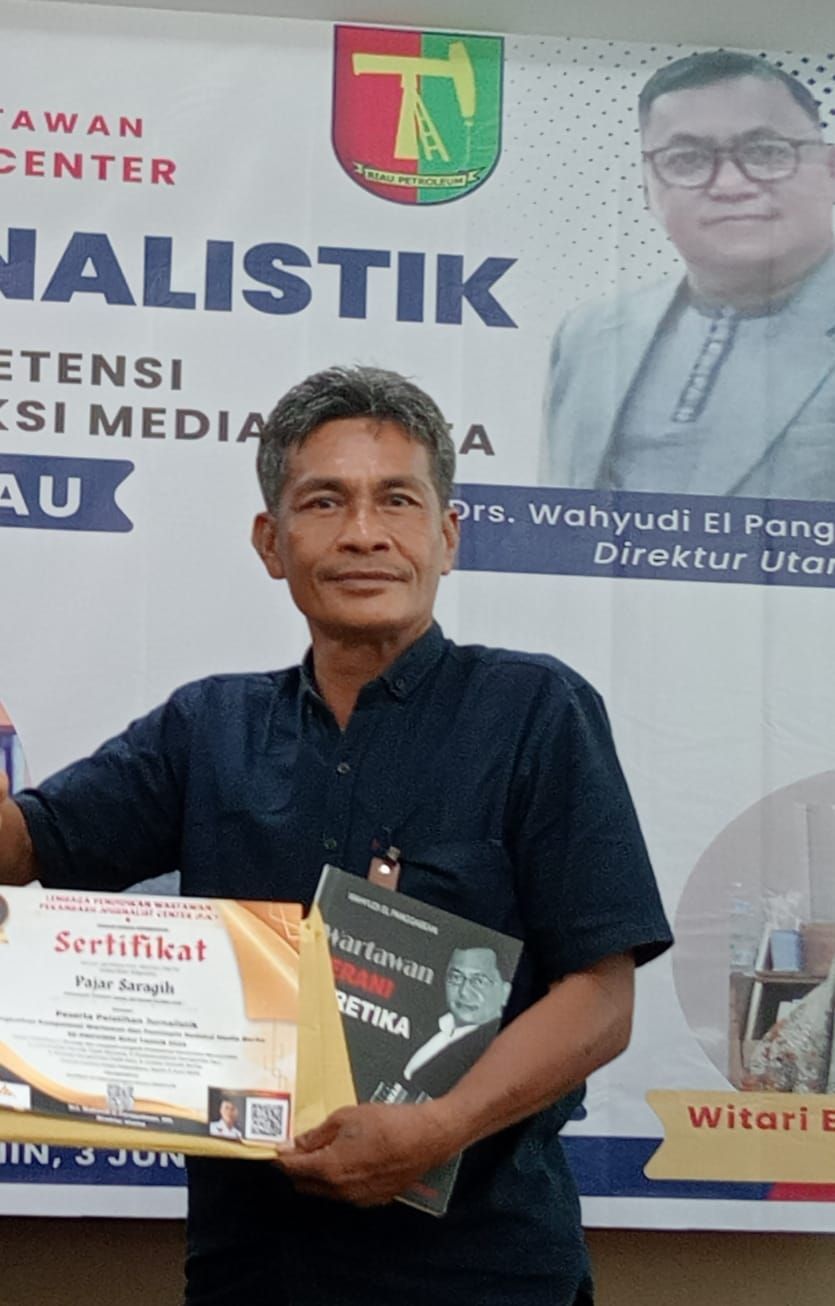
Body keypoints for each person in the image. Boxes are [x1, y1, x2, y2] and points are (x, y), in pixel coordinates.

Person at [0, 365, 672, 1306]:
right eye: (324, 502)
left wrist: (438, 1128)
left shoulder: (534, 710)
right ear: (271, 543)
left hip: (483, 1271)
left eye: (397, 499)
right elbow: (24, 849)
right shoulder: (207, 728)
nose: (363, 532)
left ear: (446, 536)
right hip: (252, 1269)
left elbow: (600, 997)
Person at [540, 50, 835, 500]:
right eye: (687, 159)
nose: (730, 185)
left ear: (829, 170)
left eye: (766, 153)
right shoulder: (589, 334)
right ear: (648, 189)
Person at [403, 946, 512, 1098]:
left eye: (479, 981)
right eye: (455, 978)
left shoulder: (496, 1051)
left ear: (506, 992)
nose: (463, 991)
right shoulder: (423, 1024)